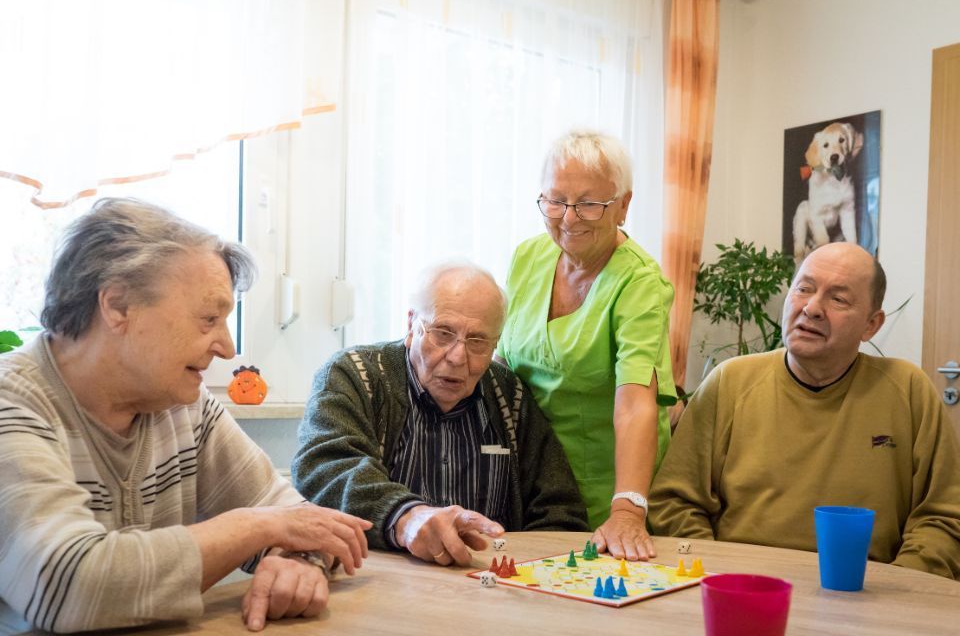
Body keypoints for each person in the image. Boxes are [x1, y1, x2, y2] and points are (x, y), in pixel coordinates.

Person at [0, 198, 373, 635]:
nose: (228, 348)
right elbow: (66, 585)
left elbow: (295, 517)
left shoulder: (181, 403)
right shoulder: (14, 403)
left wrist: (298, 561)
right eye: (209, 318)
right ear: (118, 306)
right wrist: (258, 527)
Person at [649, 242, 960, 579]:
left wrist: (897, 588)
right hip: (741, 584)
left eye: (838, 299)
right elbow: (674, 501)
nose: (812, 308)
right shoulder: (730, 381)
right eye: (804, 289)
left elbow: (942, 518)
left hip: (866, 592)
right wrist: (719, 575)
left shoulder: (908, 390)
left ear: (871, 324)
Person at [292, 262, 588, 566]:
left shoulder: (509, 396)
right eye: (443, 333)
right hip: (378, 581)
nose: (458, 357)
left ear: (495, 345)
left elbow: (560, 512)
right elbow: (326, 468)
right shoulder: (353, 375)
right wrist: (406, 517)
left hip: (488, 585)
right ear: (411, 325)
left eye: (477, 341)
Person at [495, 129, 676, 561]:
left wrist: (628, 510)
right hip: (530, 481)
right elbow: (503, 363)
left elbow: (634, 401)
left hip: (604, 490)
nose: (569, 219)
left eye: (589, 204)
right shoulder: (528, 257)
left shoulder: (639, 283)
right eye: (555, 201)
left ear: (623, 206)